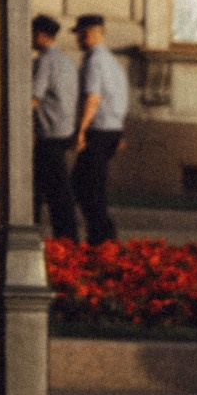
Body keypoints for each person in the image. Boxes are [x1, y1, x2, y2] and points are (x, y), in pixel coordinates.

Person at [69, 14, 128, 245]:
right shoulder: (113, 62)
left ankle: (103, 238)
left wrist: (81, 130)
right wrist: (120, 131)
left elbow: (93, 98)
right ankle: (102, 236)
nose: (77, 40)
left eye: (79, 35)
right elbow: (119, 98)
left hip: (98, 130)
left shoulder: (93, 61)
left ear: (89, 34)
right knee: (92, 185)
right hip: (112, 129)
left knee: (85, 186)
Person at [29, 14, 81, 241]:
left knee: (55, 189)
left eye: (32, 34)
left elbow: (34, 97)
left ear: (41, 36)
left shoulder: (45, 61)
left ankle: (66, 236)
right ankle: (33, 228)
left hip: (49, 132)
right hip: (64, 129)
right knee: (39, 184)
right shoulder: (66, 60)